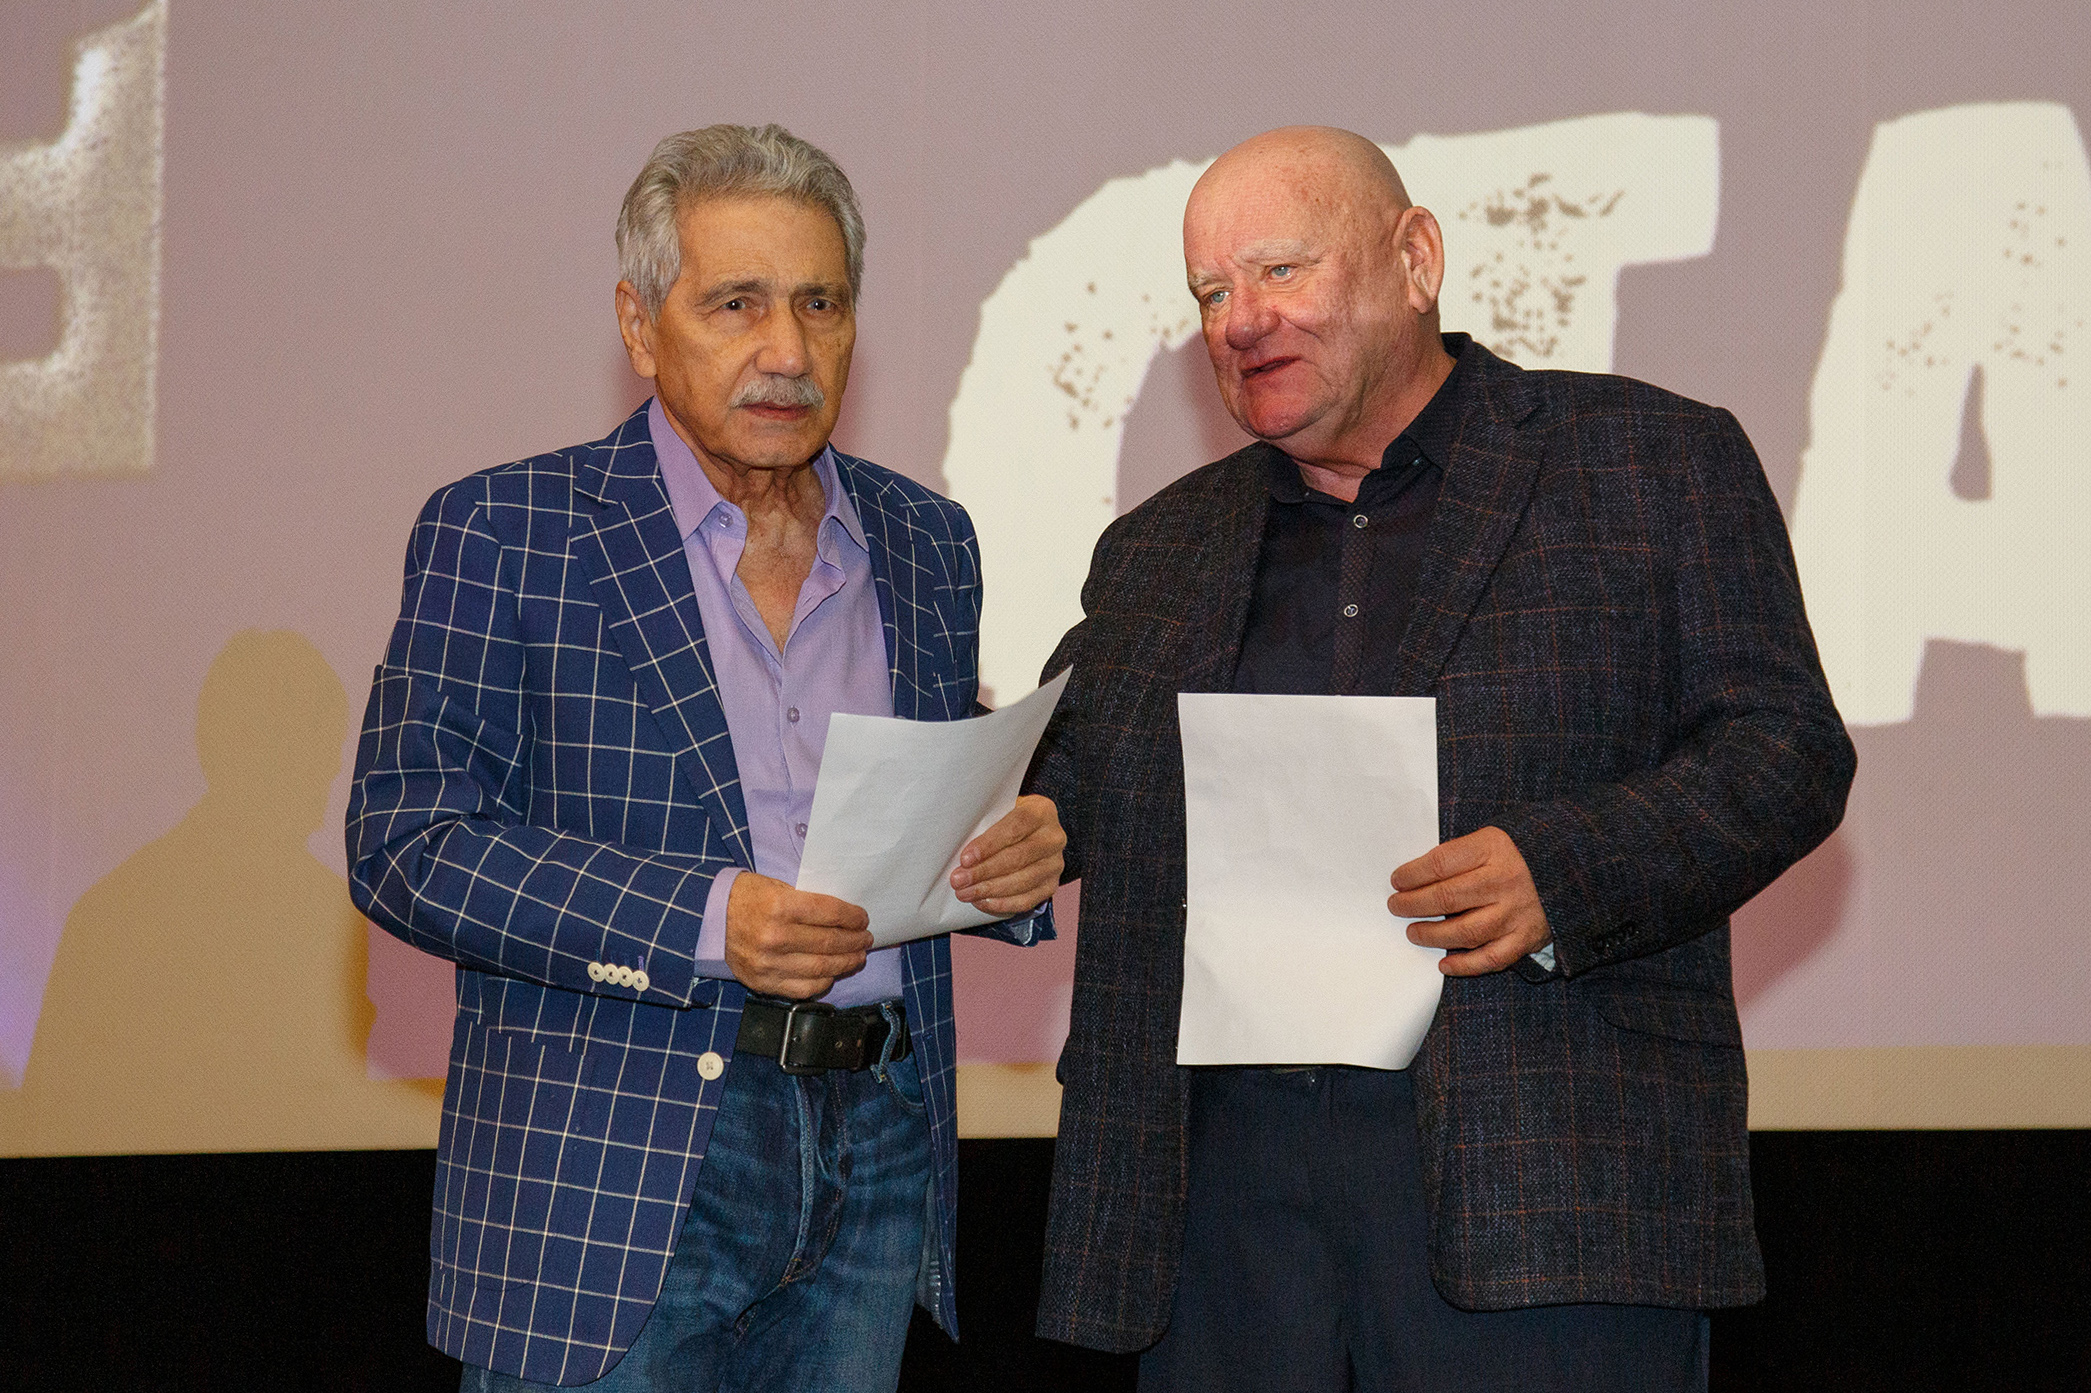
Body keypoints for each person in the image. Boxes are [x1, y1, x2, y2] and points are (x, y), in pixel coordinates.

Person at [1026, 126, 1855, 1391]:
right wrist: (1026, 824)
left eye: (1280, 271)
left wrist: (1559, 872)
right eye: (1210, 292)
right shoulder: (1160, 544)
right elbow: (1071, 772)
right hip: (1222, 1220)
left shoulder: (1649, 462)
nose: (1241, 320)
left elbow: (1785, 748)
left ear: (1415, 259)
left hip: (1544, 1187)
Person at [348, 123, 1065, 1392]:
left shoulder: (927, 538)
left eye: (819, 304)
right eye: (736, 303)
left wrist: (1005, 856)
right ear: (640, 325)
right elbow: (406, 843)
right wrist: (704, 917)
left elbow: (916, 800)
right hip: (611, 1164)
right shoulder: (507, 529)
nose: (786, 349)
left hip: (876, 1142)